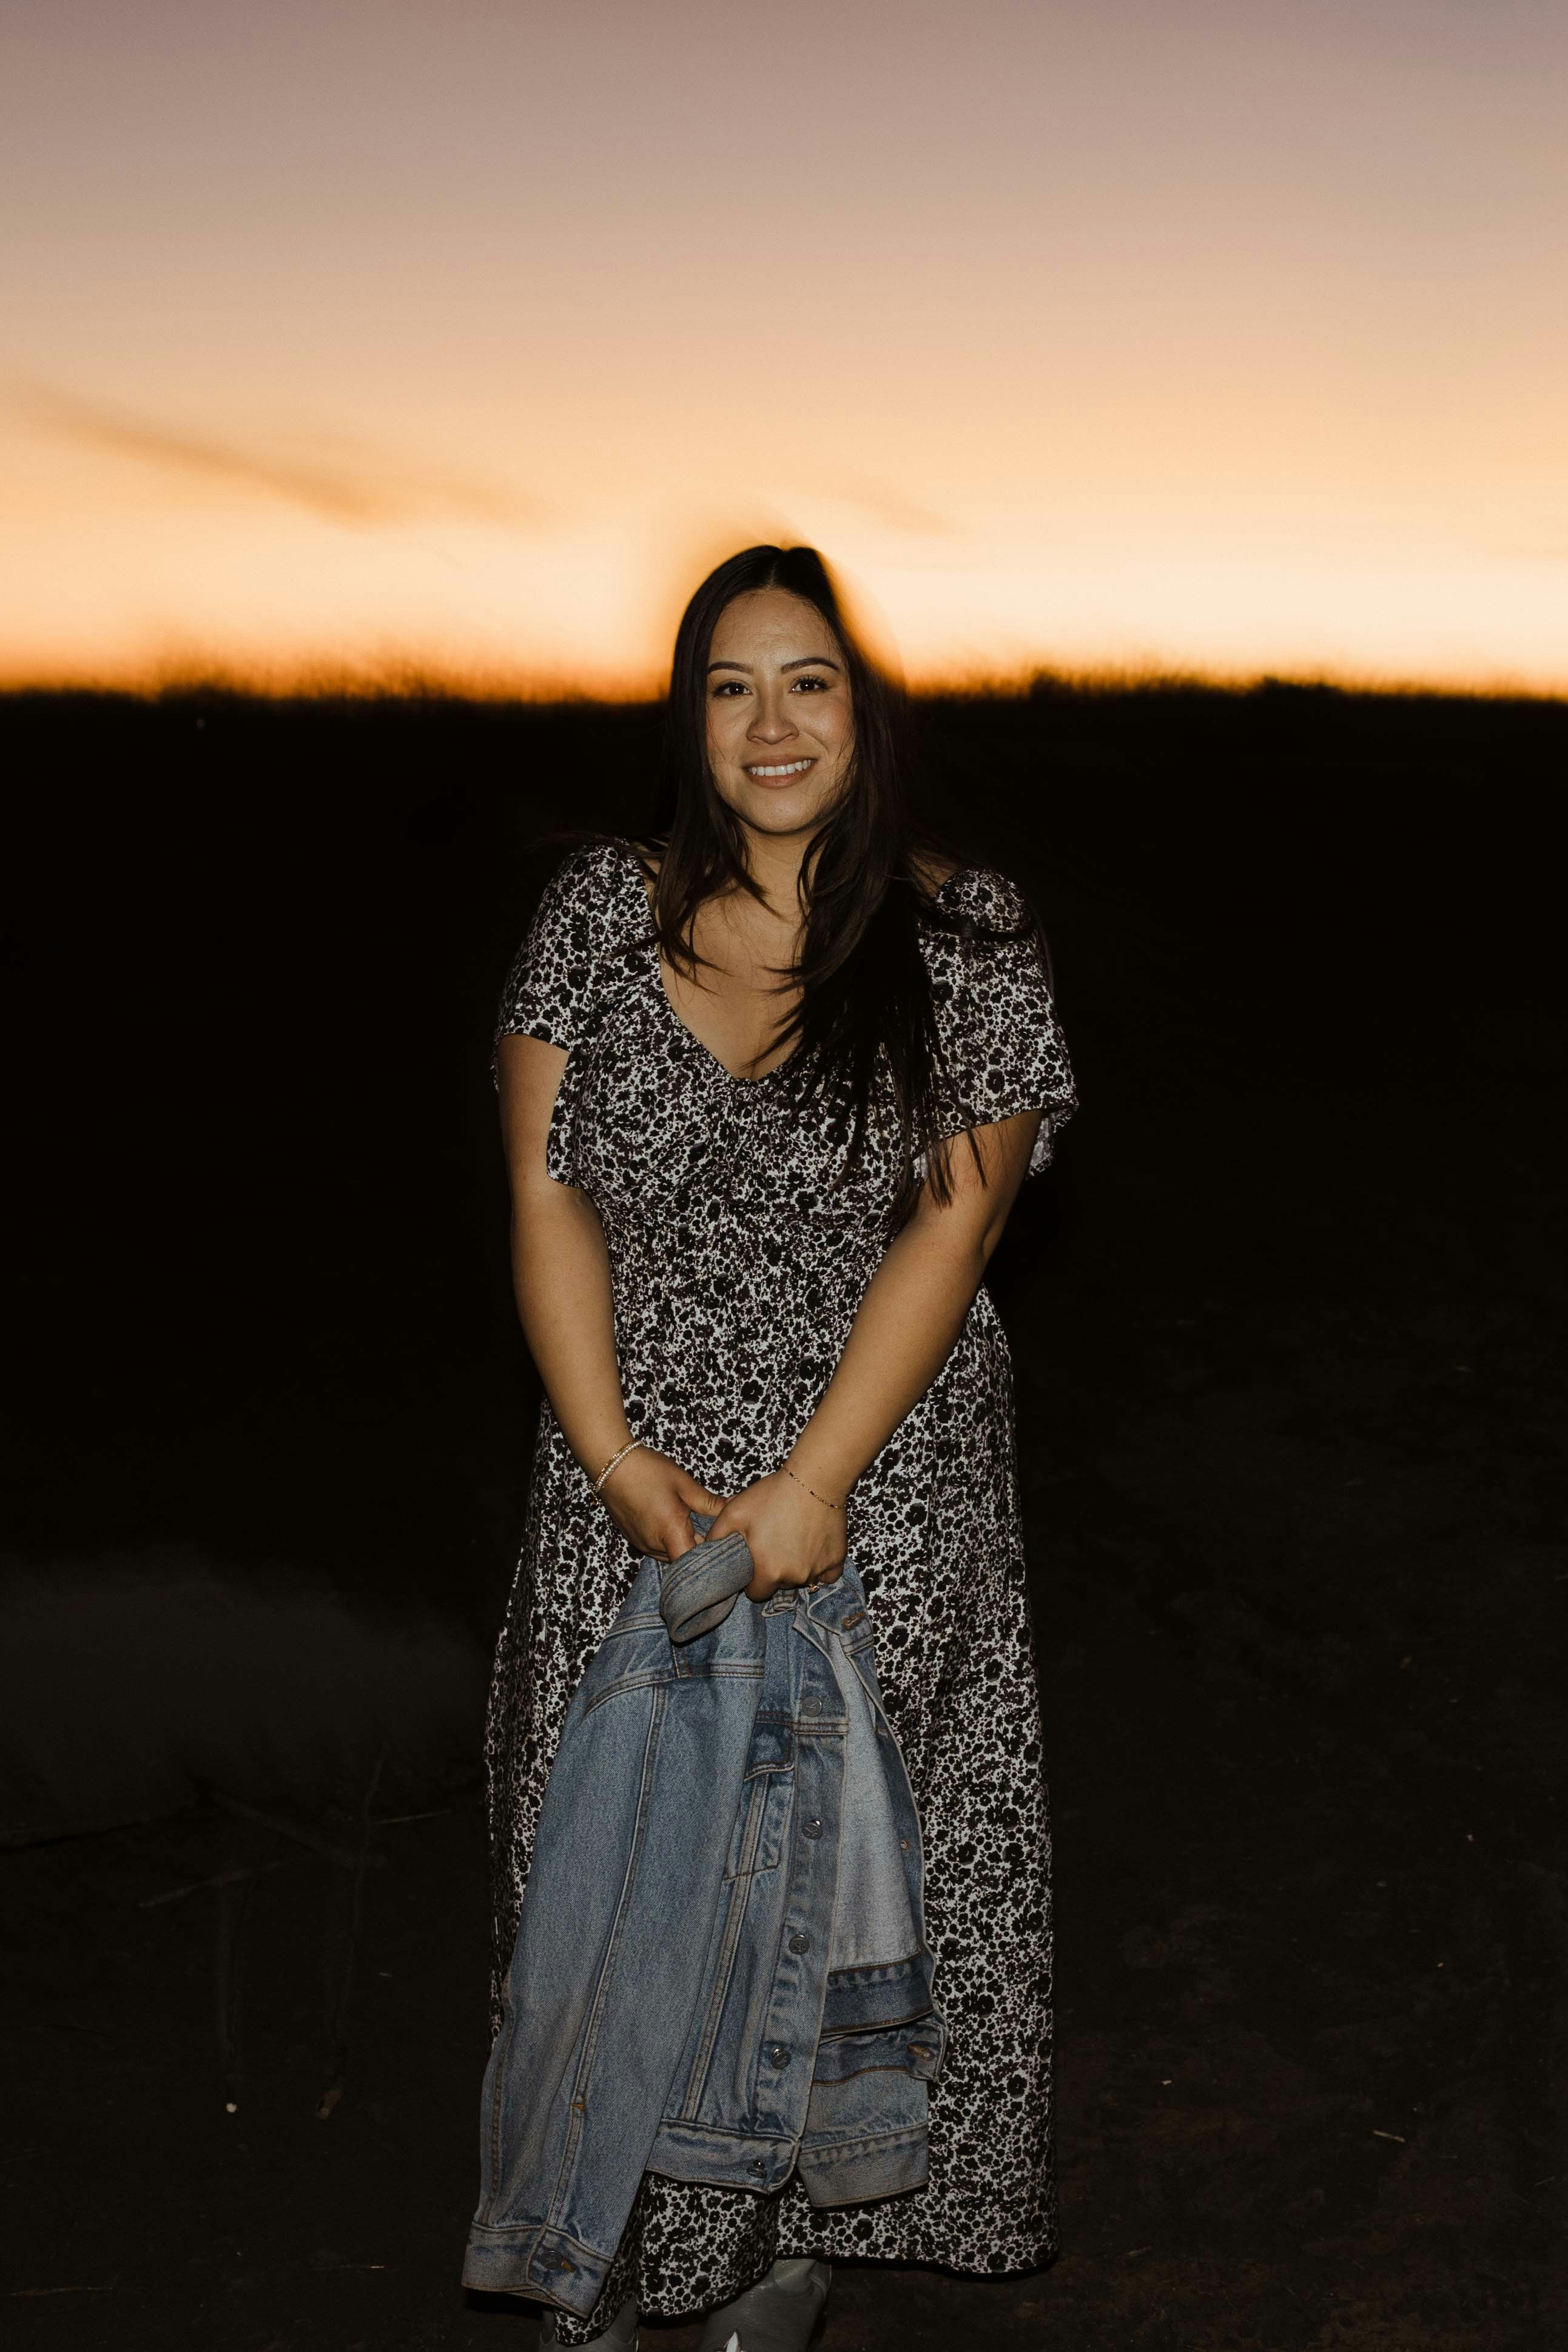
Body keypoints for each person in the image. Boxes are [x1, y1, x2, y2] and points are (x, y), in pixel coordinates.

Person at [483, 544, 1076, 2348]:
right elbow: (543, 1184)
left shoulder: (969, 930)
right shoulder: (596, 910)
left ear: (860, 706)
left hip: (878, 1491)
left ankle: (789, 2258)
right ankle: (602, 2240)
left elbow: (954, 1226)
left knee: (845, 1883)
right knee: (616, 1860)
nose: (769, 721)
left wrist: (815, 1481)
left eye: (805, 680)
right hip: (637, 1481)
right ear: (691, 718)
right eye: (730, 685)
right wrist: (606, 1454)